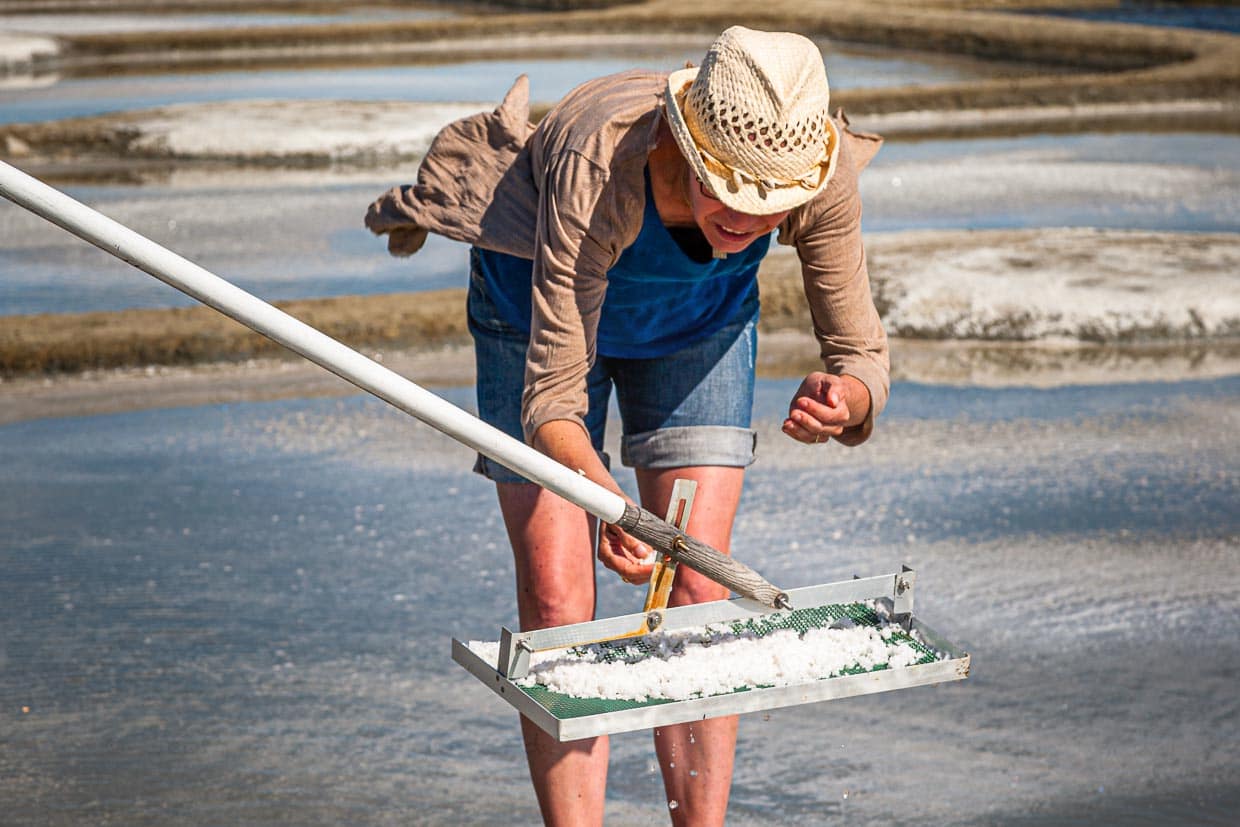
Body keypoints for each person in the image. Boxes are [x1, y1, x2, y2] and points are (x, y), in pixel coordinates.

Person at [366, 25, 888, 826]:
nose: (749, 221)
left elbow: (861, 357)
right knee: (558, 599)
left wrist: (846, 401)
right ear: (681, 143)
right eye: (729, 193)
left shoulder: (819, 170)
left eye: (769, 203)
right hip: (532, 309)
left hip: (696, 329)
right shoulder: (597, 158)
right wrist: (607, 499)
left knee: (697, 586)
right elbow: (552, 400)